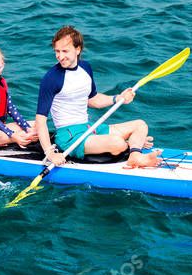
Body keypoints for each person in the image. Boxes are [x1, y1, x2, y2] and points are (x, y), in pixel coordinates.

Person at [35, 25, 162, 169]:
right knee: (117, 143)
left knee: (140, 125)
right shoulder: (51, 78)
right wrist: (50, 153)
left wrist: (118, 98)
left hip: (89, 127)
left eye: (65, 51)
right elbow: (40, 121)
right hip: (69, 136)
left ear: (78, 49)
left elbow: (92, 99)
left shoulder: (85, 68)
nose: (60, 56)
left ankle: (134, 156)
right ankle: (132, 146)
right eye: (57, 51)